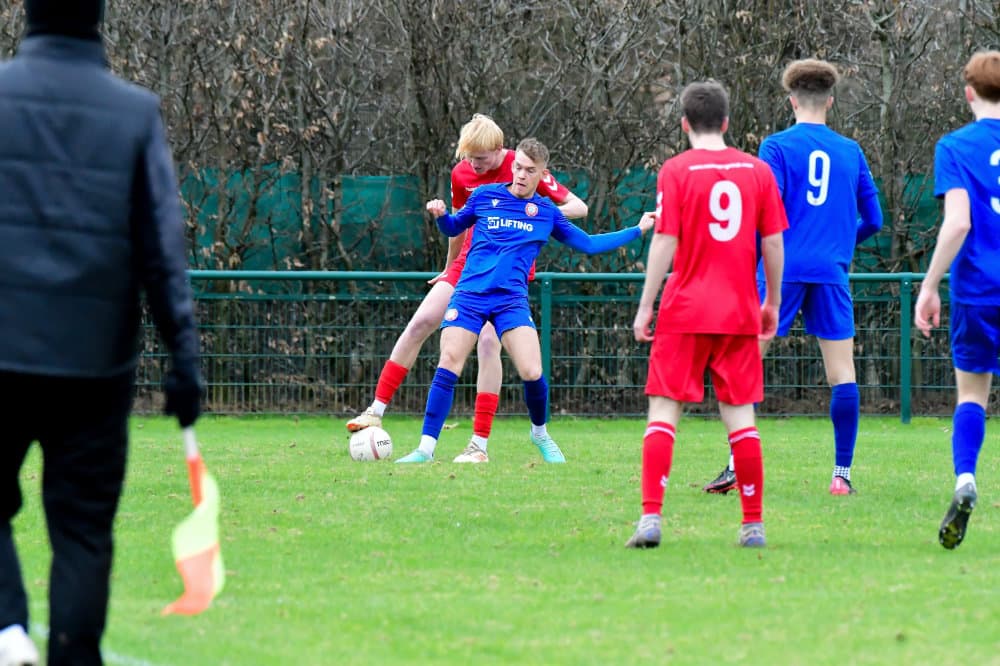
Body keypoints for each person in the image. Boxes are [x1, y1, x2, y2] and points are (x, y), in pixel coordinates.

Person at [0, 2, 203, 664]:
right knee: (83, 531)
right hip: (94, 362)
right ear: (98, 19)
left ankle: (6, 630)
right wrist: (183, 359)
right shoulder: (133, 114)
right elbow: (161, 248)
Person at [346, 114, 588, 464]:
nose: (474, 164)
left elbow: (578, 206)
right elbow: (458, 224)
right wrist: (448, 267)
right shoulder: (462, 173)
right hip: (467, 264)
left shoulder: (520, 166)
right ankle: (376, 409)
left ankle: (478, 445)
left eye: (481, 158)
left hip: (505, 271)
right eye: (469, 157)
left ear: (500, 150)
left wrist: (535, 216)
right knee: (421, 321)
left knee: (489, 344)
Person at [394, 138, 653, 463]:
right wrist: (441, 215)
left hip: (510, 300)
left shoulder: (546, 213)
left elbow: (588, 244)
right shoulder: (484, 196)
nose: (520, 174)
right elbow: (453, 227)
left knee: (532, 370)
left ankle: (539, 433)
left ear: (542, 174)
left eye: (530, 170)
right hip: (470, 294)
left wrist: (638, 230)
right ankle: (425, 449)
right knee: (449, 360)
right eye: (517, 167)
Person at [701, 58, 883, 496]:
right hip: (831, 272)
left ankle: (736, 464)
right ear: (830, 101)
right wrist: (839, 245)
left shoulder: (777, 146)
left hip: (780, 269)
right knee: (842, 374)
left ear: (791, 101)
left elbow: (765, 214)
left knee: (745, 364)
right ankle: (841, 475)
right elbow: (875, 220)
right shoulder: (851, 151)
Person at [625, 80, 787, 549]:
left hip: (684, 310)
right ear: (727, 122)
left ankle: (651, 519)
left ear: (684, 125)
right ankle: (752, 525)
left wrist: (646, 305)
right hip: (738, 310)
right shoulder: (757, 171)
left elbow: (665, 239)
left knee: (663, 411)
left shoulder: (676, 170)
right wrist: (772, 302)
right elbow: (773, 242)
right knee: (741, 418)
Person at [915, 50, 1000, 550]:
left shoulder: (955, 146)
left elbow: (959, 222)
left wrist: (929, 284)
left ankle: (965, 479)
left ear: (969, 93)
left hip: (978, 291)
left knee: (971, 395)